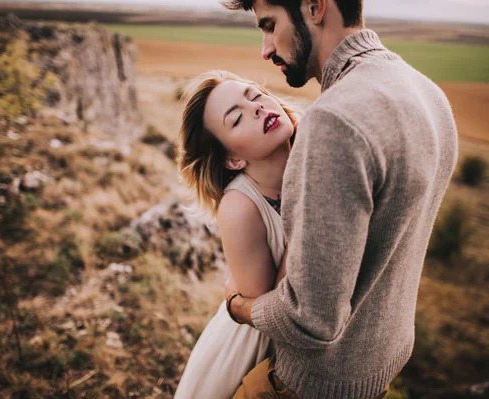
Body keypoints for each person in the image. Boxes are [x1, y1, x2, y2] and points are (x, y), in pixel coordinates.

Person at [220, 1, 459, 398]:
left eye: (269, 25)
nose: (265, 48)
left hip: (309, 386)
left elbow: (310, 320)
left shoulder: (334, 120)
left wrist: (238, 306)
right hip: (378, 371)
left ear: (314, 6)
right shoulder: (427, 92)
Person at [174, 70, 298, 398]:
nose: (256, 108)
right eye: (236, 118)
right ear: (233, 158)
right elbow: (271, 309)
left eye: (255, 96)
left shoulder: (316, 149)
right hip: (251, 354)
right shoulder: (239, 207)